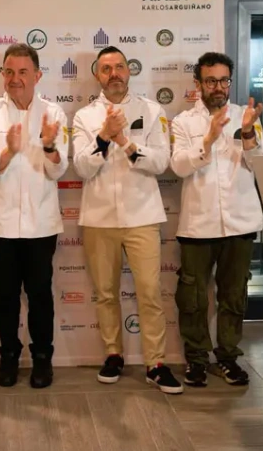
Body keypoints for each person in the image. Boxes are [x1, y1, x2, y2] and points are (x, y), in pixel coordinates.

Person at [72, 46, 182, 394]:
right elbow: (82, 167)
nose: (114, 73)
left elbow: (161, 161)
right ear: (97, 75)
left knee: (149, 292)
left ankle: (156, 363)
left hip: (142, 216)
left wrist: (127, 143)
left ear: (129, 70)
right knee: (105, 294)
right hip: (99, 218)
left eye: (119, 66)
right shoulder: (83, 117)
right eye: (106, 69)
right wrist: (104, 136)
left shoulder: (151, 110)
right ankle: (113, 355)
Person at [0, 43, 69, 388]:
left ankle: (43, 358)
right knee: (6, 296)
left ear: (38, 75)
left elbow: (59, 171)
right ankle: (9, 356)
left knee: (41, 294)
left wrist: (48, 146)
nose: (15, 79)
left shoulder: (55, 115)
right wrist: (7, 152)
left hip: (41, 223)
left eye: (23, 72)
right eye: (9, 72)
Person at [170, 52, 263, 387]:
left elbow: (262, 167)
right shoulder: (183, 122)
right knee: (193, 298)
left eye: (224, 80)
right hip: (198, 224)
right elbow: (180, 166)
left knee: (233, 295)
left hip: (241, 223)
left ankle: (227, 357)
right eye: (211, 80)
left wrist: (250, 135)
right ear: (197, 84)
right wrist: (208, 140)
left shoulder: (246, 116)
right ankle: (196, 360)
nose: (219, 87)